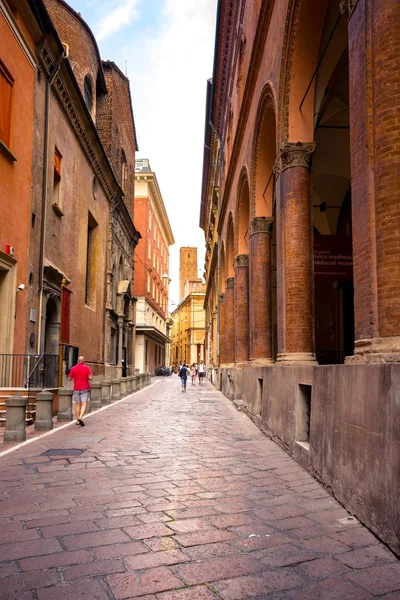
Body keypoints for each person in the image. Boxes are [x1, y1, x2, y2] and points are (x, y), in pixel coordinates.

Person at [68, 356, 92, 426]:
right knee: (84, 403)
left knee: (78, 404)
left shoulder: (73, 368)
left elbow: (69, 378)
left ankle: (77, 420)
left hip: (76, 388)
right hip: (84, 388)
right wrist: (88, 376)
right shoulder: (87, 368)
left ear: (77, 361)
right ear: (83, 361)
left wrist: (73, 376)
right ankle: (81, 417)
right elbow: (90, 378)